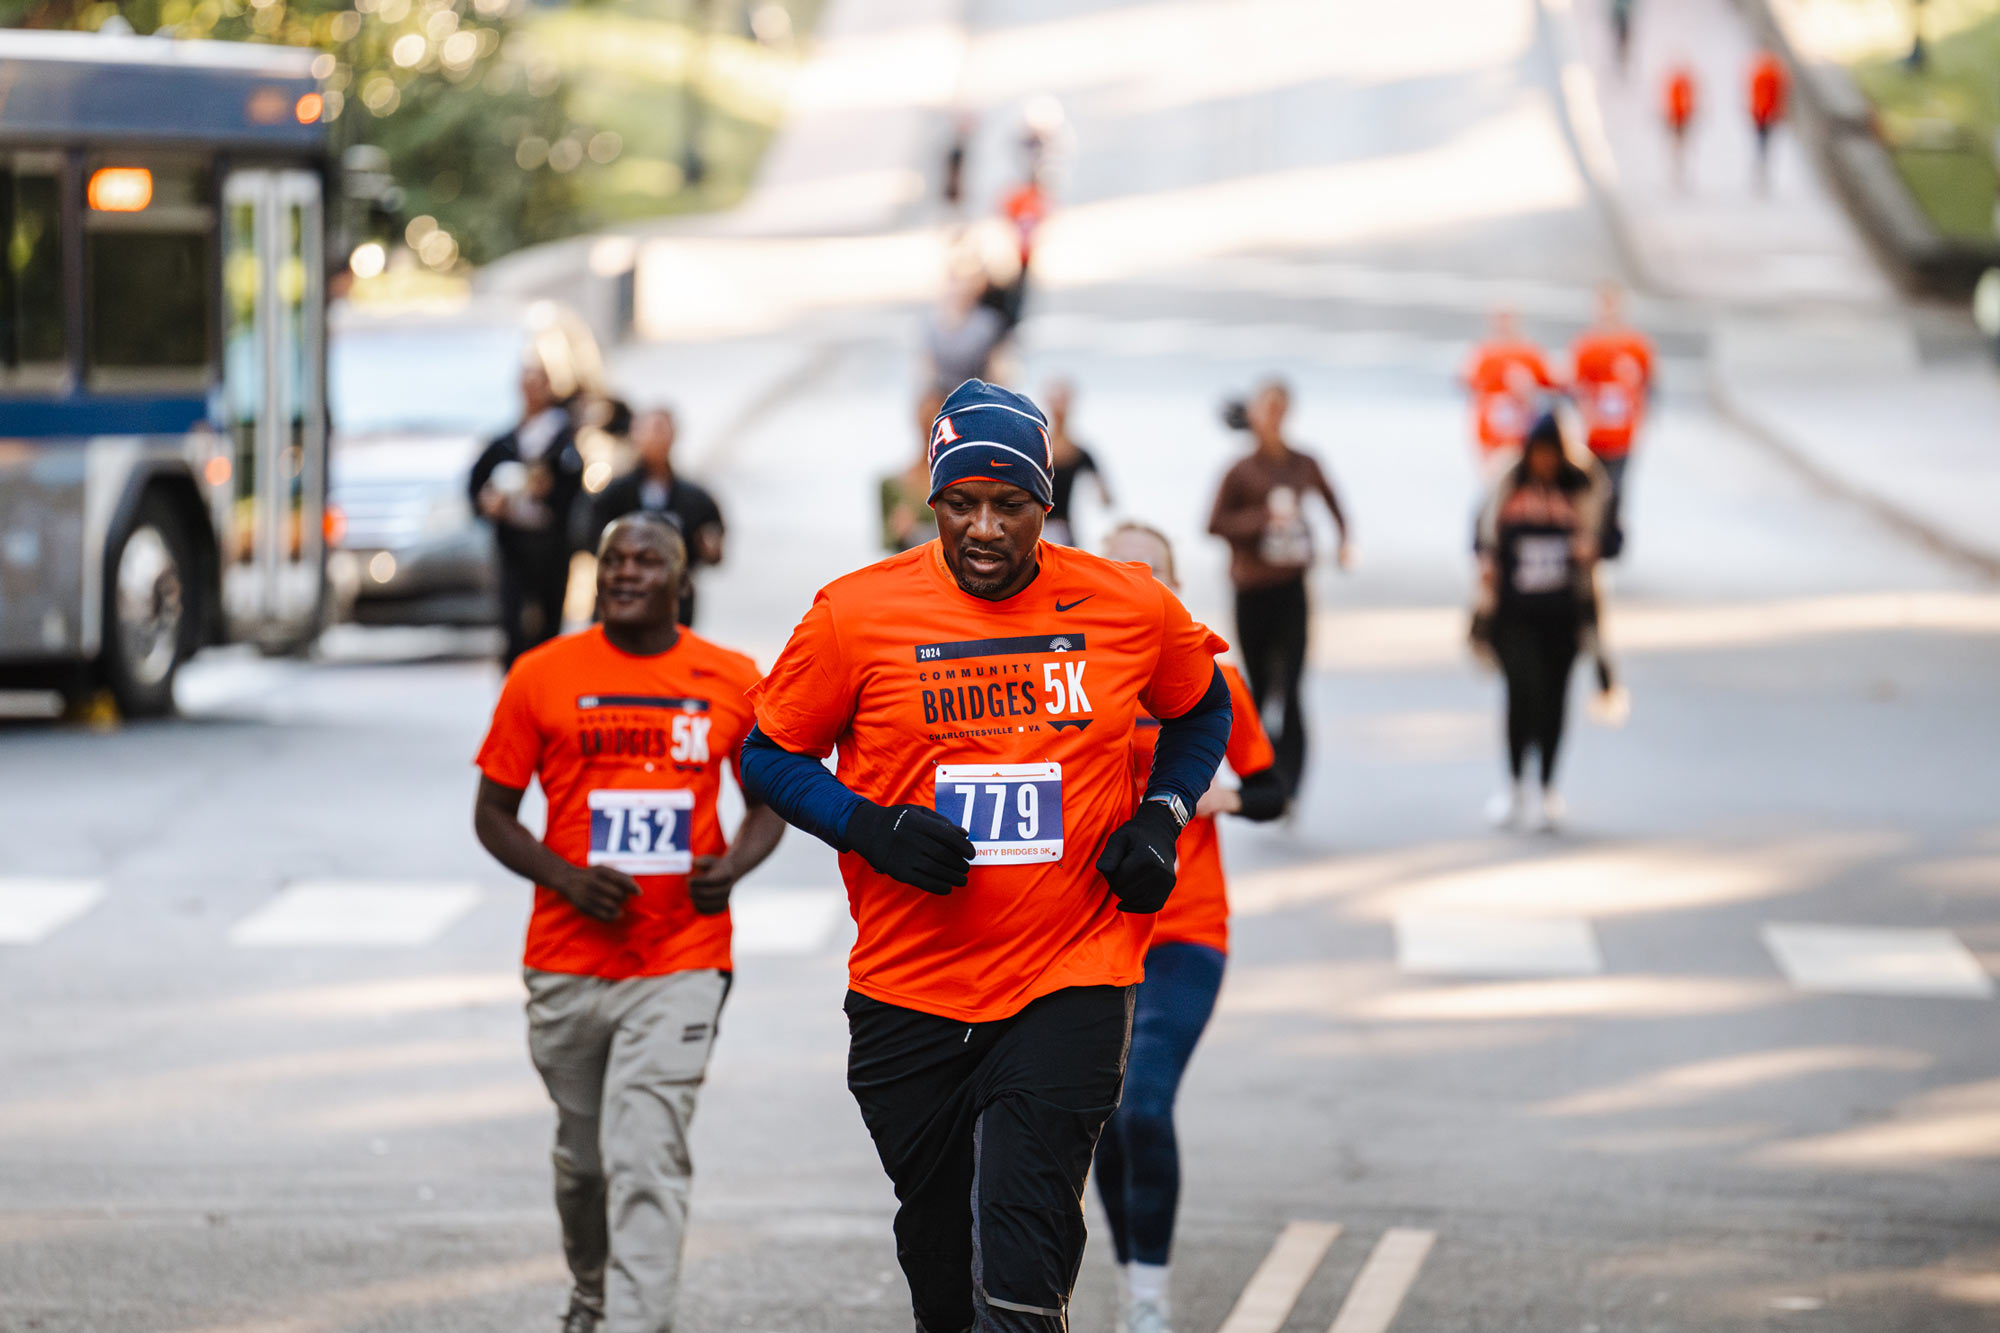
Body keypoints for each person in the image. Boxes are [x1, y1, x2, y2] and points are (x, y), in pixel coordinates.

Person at [739, 378, 1234, 1333]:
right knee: (939, 1260)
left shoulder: (1124, 603)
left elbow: (1202, 700)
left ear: (1047, 506)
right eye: (960, 502)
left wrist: (1161, 814)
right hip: (910, 989)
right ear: (930, 502)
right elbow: (769, 749)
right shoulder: (856, 614)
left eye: (1010, 505)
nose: (984, 528)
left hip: (1072, 977)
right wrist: (867, 825)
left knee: (1020, 1258)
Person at [473, 513, 786, 1333]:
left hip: (683, 957)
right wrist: (566, 877)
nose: (625, 572)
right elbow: (494, 815)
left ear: (681, 581)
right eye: (613, 559)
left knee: (646, 1153)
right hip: (568, 961)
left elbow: (768, 804)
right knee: (585, 1164)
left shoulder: (729, 677)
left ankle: (637, 1323)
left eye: (647, 560)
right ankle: (592, 1289)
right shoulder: (542, 674)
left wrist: (735, 865)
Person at [1092, 523, 1287, 1333]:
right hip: (1094, 933)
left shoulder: (1210, 679)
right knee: (1097, 1114)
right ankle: (1129, 1259)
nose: (1138, 583)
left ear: (1171, 587)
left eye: (1153, 572)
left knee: (1143, 1105)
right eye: (1121, 570)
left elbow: (1273, 788)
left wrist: (1218, 797)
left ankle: (1149, 1293)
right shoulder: (1079, 679)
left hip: (1185, 932)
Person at [1206, 378, 1348, 797]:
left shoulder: (1303, 463)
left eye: (1280, 407)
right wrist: (1261, 521)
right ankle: (1262, 773)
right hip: (1251, 590)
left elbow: (1333, 499)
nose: (1273, 416)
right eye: (1266, 407)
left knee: (1293, 684)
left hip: (1292, 587)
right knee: (1260, 686)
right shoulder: (1239, 470)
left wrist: (1344, 540)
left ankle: (1291, 781)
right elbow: (1213, 524)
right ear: (1254, 413)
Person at [1473, 413, 1606, 833]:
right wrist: (1487, 563)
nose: (1545, 462)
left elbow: (1614, 537)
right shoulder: (1506, 484)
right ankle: (1514, 786)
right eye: (1539, 453)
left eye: (1553, 455)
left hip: (1564, 614)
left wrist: (1592, 548)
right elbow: (1477, 533)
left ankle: (1547, 787)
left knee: (1554, 700)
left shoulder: (1585, 487)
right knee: (1520, 695)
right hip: (1514, 614)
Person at [471, 364, 586, 668]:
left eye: (537, 385)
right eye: (526, 385)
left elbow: (576, 493)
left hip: (550, 546)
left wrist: (548, 492)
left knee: (548, 621)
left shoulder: (564, 440)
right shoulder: (508, 440)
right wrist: (488, 502)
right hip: (514, 545)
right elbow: (477, 482)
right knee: (513, 620)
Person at [593, 408, 726, 627]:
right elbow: (587, 537)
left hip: (674, 604)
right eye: (648, 430)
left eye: (661, 430)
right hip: (621, 600)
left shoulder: (696, 498)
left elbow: (714, 544)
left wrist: (710, 549)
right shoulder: (613, 493)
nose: (655, 438)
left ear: (673, 435)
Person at [1567, 283, 1654, 560]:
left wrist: (1642, 420)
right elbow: (1576, 387)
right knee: (1589, 488)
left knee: (1616, 489)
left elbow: (1648, 386)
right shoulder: (1587, 346)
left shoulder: (1636, 346)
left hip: (1623, 433)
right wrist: (1585, 414)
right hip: (1594, 434)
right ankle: (1588, 538)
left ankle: (1608, 544)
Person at [1462, 310, 1559, 471]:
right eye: (1500, 320)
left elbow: (1554, 388)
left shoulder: (1530, 353)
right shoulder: (1483, 353)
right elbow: (1467, 385)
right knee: (1495, 483)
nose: (1504, 325)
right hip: (1492, 438)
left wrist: (1528, 388)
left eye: (1507, 319)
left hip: (1523, 438)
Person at [1042, 379, 1112, 547]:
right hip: (1035, 527)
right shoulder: (1037, 447)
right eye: (1056, 400)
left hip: (1063, 529)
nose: (1059, 407)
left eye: (1063, 401)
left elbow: (1106, 498)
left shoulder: (1080, 452)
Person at [923, 267, 1009, 394]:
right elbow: (926, 368)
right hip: (941, 395)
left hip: (977, 394)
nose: (958, 289)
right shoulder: (930, 323)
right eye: (953, 282)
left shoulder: (988, 324)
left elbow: (998, 367)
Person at [882, 391, 946, 552]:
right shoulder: (891, 485)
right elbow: (887, 544)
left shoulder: (964, 484)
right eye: (926, 414)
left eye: (936, 414)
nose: (930, 422)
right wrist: (900, 533)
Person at [1748, 50, 1789, 192]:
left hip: (1764, 113)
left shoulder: (1766, 74)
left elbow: (1776, 94)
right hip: (1764, 114)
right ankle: (1762, 170)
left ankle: (1762, 170)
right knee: (1764, 143)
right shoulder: (1770, 74)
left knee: (1763, 143)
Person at [1663, 63, 1697, 190]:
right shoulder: (1679, 85)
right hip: (1678, 119)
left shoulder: (1683, 85)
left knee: (1681, 147)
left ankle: (1681, 173)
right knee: (1678, 147)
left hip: (1682, 119)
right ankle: (1677, 173)